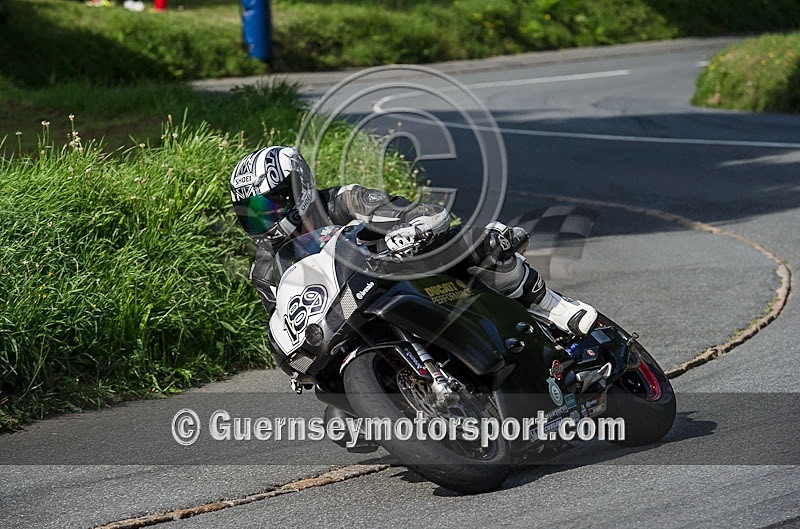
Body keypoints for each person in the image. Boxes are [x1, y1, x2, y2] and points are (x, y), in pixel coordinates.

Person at [230, 146, 598, 337]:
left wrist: (413, 228)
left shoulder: (344, 200)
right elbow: (289, 322)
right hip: (351, 313)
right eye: (251, 213)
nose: (264, 220)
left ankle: (550, 305)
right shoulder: (266, 270)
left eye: (268, 206)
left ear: (298, 188)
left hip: (403, 271)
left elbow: (421, 212)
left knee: (473, 243)